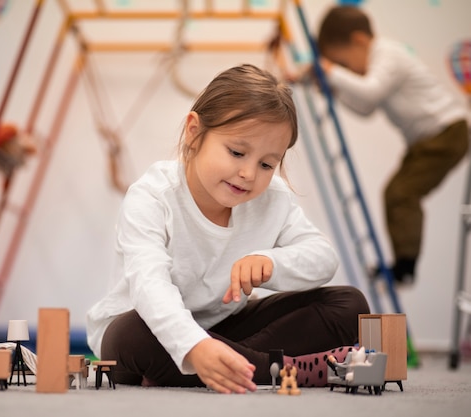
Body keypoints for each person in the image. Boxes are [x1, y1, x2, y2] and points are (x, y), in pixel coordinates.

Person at [86, 64, 370, 394]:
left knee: (349, 305)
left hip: (224, 327)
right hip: (146, 327)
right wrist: (194, 347)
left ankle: (212, 366)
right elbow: (150, 287)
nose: (249, 173)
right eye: (236, 152)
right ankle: (280, 370)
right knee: (131, 334)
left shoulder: (273, 198)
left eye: (266, 164)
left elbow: (323, 258)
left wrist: (271, 262)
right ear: (194, 131)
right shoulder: (152, 196)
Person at [316, 5, 470, 285]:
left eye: (345, 62)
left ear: (360, 40)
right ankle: (404, 264)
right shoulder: (378, 62)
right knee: (395, 193)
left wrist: (331, 72)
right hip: (427, 141)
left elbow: (370, 91)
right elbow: (366, 107)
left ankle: (405, 266)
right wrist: (335, 88)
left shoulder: (389, 54)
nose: (348, 69)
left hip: (448, 132)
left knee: (401, 193)